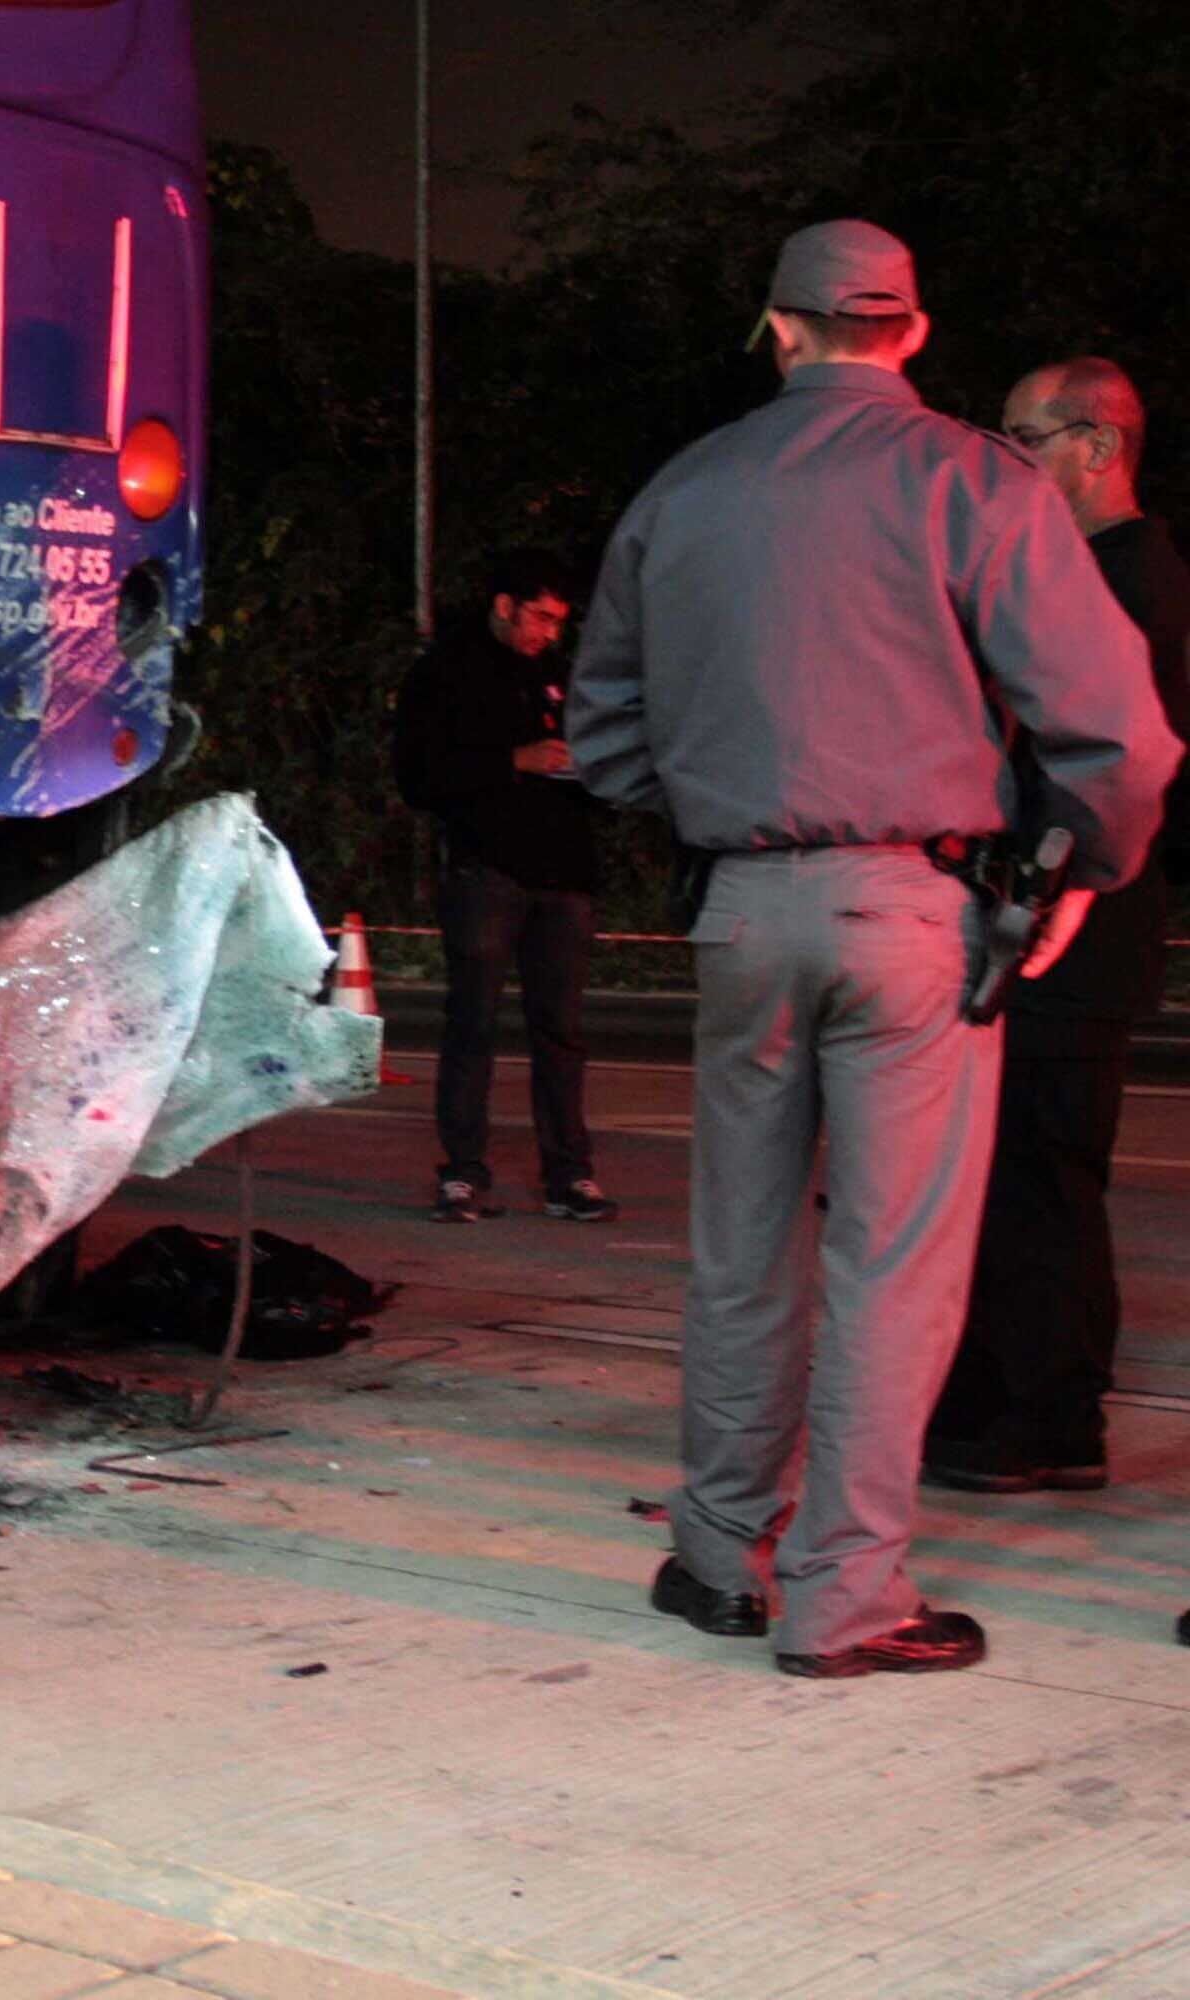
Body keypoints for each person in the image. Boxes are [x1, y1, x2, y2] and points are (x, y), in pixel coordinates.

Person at [566, 220, 1177, 1679]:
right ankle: (846, 1596)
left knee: (740, 1251)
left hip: (741, 909)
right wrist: (1081, 867)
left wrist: (720, 807)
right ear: (912, 332)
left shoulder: (684, 488)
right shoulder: (977, 480)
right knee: (893, 1264)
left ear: (779, 329)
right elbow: (1121, 731)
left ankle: (718, 1554)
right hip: (917, 910)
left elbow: (605, 734)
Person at [927, 360, 1190, 1493]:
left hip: (1074, 924)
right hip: (1056, 918)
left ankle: (1049, 1416)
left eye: (1023, 438)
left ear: (1097, 445)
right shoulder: (1098, 572)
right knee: (1019, 1176)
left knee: (1042, 1180)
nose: (1007, 461)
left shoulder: (1125, 581)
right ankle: (1006, 1399)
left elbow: (1111, 761)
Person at [391, 550, 618, 1227]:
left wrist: (596, 774)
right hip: (486, 870)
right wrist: (512, 761)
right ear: (504, 606)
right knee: (473, 1025)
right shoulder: (445, 673)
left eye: (559, 621)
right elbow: (418, 777)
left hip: (564, 874)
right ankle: (463, 1171)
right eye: (540, 617)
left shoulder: (557, 677)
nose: (549, 632)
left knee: (561, 1033)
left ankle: (569, 1175)